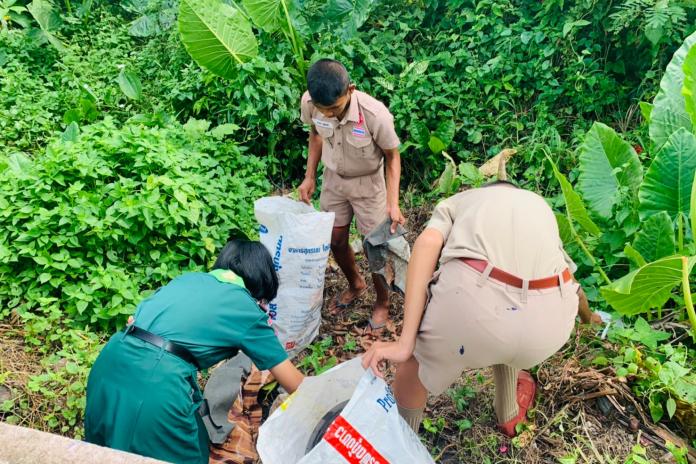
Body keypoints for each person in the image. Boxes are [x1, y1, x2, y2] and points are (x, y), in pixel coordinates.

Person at [362, 181, 600, 437]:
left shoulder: (462, 201)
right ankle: (509, 415)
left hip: (476, 311)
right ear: (512, 189)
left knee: (413, 361)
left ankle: (400, 444)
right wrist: (589, 319)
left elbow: (429, 242)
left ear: (484, 189)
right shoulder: (539, 206)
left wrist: (405, 342)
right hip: (551, 327)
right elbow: (572, 283)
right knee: (509, 308)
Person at [84, 240, 304, 463]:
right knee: (184, 454)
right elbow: (295, 385)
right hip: (156, 380)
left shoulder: (187, 279)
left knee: (106, 451)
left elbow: (136, 319)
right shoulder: (246, 307)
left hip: (109, 363)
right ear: (261, 282)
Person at [297, 59, 404, 334]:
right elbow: (315, 135)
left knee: (375, 248)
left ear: (351, 90)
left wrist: (393, 203)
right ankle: (356, 283)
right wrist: (310, 176)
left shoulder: (374, 114)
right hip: (334, 181)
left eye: (335, 108)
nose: (330, 115)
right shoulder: (311, 104)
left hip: (369, 185)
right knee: (335, 239)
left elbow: (393, 157)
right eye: (325, 110)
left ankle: (382, 302)